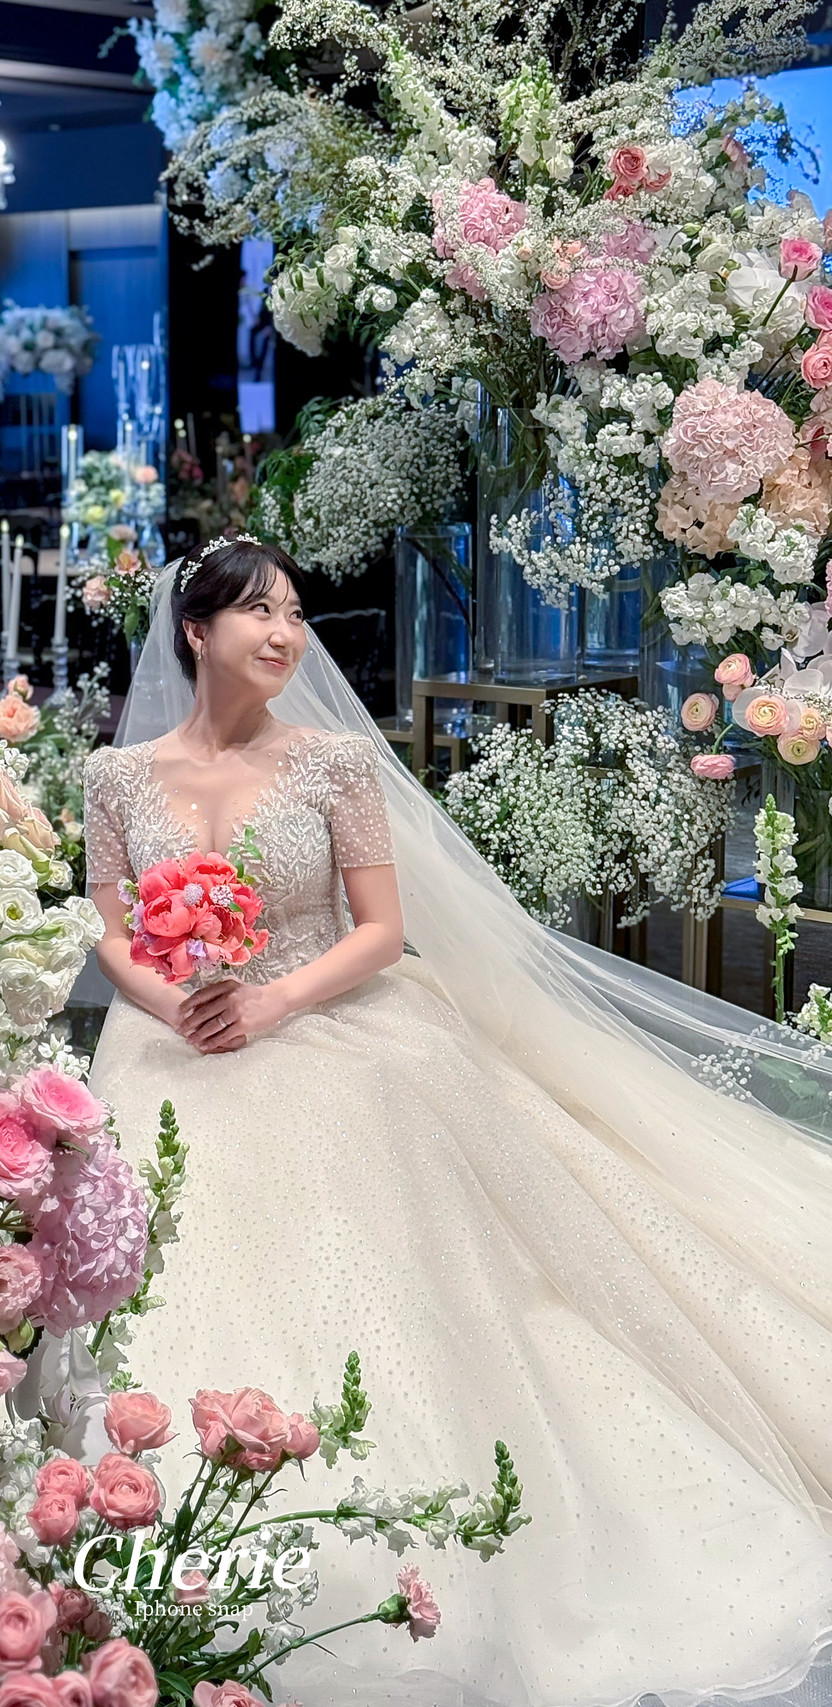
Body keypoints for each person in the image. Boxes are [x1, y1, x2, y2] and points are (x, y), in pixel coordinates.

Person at [81, 536, 832, 1707]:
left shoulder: (334, 763)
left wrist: (271, 1000)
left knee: (383, 1149)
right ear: (195, 631)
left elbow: (379, 932)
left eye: (294, 613)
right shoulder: (116, 776)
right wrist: (172, 1001)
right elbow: (107, 927)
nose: (284, 634)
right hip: (174, 1033)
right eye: (258, 613)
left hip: (321, 1013)